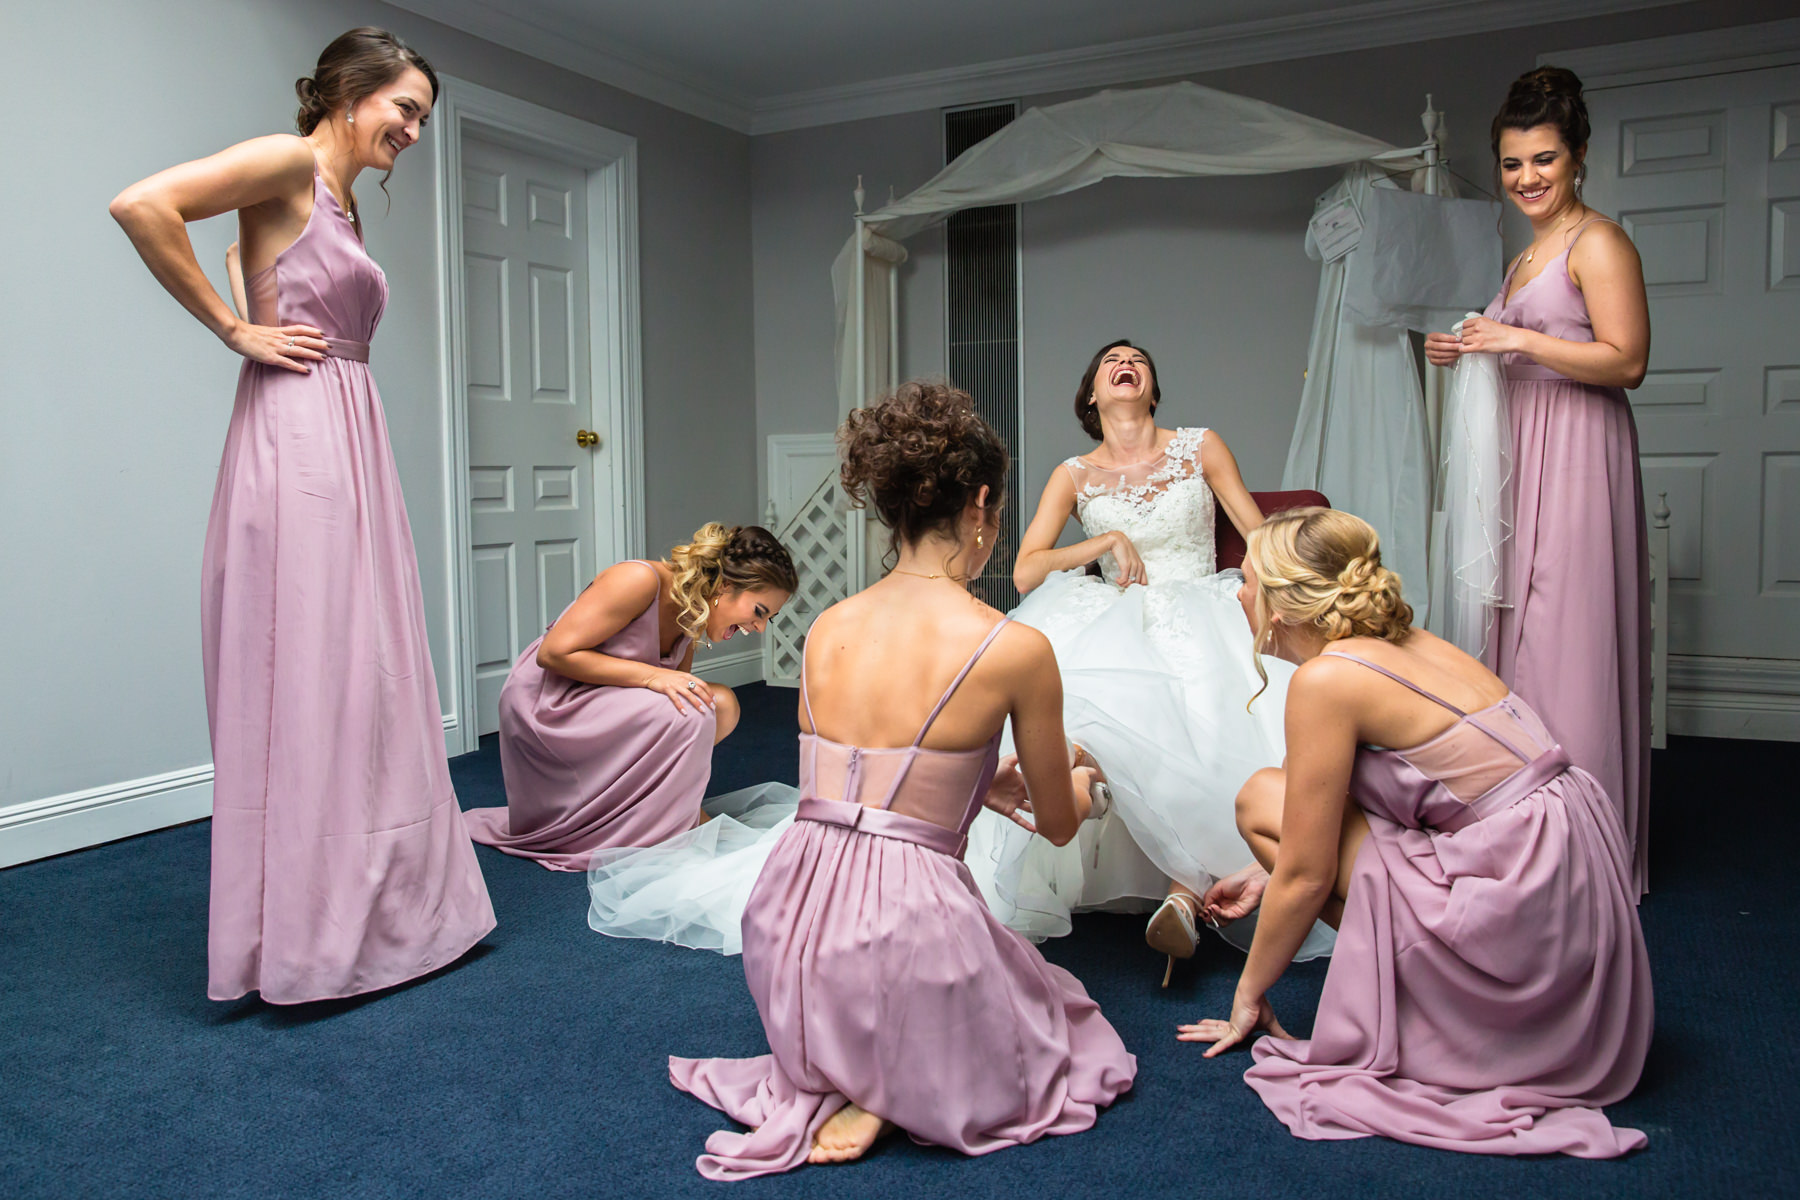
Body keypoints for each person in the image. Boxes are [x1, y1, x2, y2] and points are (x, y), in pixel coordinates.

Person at [108, 28, 495, 1003]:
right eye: (404, 108)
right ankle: (310, 936)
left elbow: (259, 263)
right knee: (317, 667)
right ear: (350, 92)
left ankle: (366, 911)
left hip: (346, 433)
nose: (413, 129)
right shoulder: (286, 161)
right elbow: (143, 205)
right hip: (302, 441)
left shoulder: (340, 202)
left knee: (359, 672)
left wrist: (252, 299)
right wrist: (235, 330)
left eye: (421, 118)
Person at [670, 382, 1135, 1179]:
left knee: (970, 968)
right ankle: (897, 1076)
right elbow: (1059, 824)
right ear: (982, 502)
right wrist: (1088, 789)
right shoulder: (1012, 646)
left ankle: (851, 1060)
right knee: (1055, 1013)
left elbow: (852, 784)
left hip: (787, 925)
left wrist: (978, 782)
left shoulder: (825, 628)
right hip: (906, 932)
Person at [1181, 508, 1652, 1158]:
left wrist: (1249, 993)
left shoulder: (1327, 680)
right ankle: (1438, 992)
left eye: (1248, 581)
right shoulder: (1402, 641)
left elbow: (1309, 871)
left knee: (1262, 797)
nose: (1236, 594)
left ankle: (1455, 1019)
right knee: (1280, 807)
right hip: (1564, 870)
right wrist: (1270, 872)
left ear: (1285, 606)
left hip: (1523, 895)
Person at [967, 339, 1330, 981]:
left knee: (1204, 690)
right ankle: (1085, 792)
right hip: (1117, 610)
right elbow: (1026, 571)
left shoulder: (1201, 446)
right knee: (1083, 685)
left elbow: (1257, 536)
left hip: (1203, 601)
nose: (1123, 363)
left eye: (1136, 359)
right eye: (1109, 361)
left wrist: (1277, 605)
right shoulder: (1072, 474)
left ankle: (1184, 892)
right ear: (1091, 396)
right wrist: (1103, 541)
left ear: (1152, 389)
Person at [1425, 66, 1651, 893]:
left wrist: (1514, 343)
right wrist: (1460, 348)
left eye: (1544, 160)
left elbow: (1627, 360)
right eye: (1514, 163)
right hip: (1523, 455)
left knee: (1568, 641)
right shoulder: (1526, 257)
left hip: (1580, 454)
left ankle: (1585, 854)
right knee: (1517, 639)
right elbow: (1514, 343)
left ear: (1580, 156)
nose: (1528, 178)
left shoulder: (1598, 241)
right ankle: (1526, 833)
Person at [463, 525, 795, 869]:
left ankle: (662, 815)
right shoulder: (639, 579)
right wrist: (653, 676)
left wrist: (663, 680)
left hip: (607, 700)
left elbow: (678, 693)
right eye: (759, 612)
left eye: (769, 618)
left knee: (716, 704)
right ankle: (677, 825)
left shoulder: (692, 611)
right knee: (694, 710)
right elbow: (552, 655)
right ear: (725, 586)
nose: (759, 628)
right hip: (552, 703)